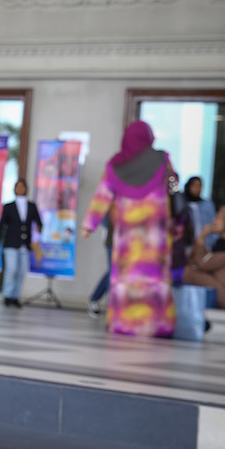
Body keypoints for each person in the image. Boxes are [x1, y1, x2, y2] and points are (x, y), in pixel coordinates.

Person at [80, 121, 176, 337]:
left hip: (127, 237)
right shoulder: (161, 159)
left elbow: (102, 196)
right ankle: (156, 324)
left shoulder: (115, 165)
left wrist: (89, 225)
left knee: (127, 277)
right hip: (155, 234)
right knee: (154, 277)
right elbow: (174, 184)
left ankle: (126, 323)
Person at [183, 205, 225, 310]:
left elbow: (202, 264)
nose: (214, 221)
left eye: (219, 218)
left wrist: (201, 238)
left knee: (189, 272)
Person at [0, 178, 42, 308]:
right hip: (11, 243)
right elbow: (1, 225)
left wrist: (39, 228)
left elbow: (39, 221)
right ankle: (7, 295)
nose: (20, 189)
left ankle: (15, 296)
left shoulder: (31, 206)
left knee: (20, 271)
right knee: (11, 269)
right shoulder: (8, 206)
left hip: (25, 244)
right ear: (14, 189)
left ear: (26, 189)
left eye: (22, 187)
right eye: (17, 187)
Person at [85, 212, 112, 318]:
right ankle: (110, 305)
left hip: (127, 240)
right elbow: (102, 215)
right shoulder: (112, 196)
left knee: (116, 271)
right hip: (112, 239)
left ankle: (94, 299)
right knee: (114, 271)